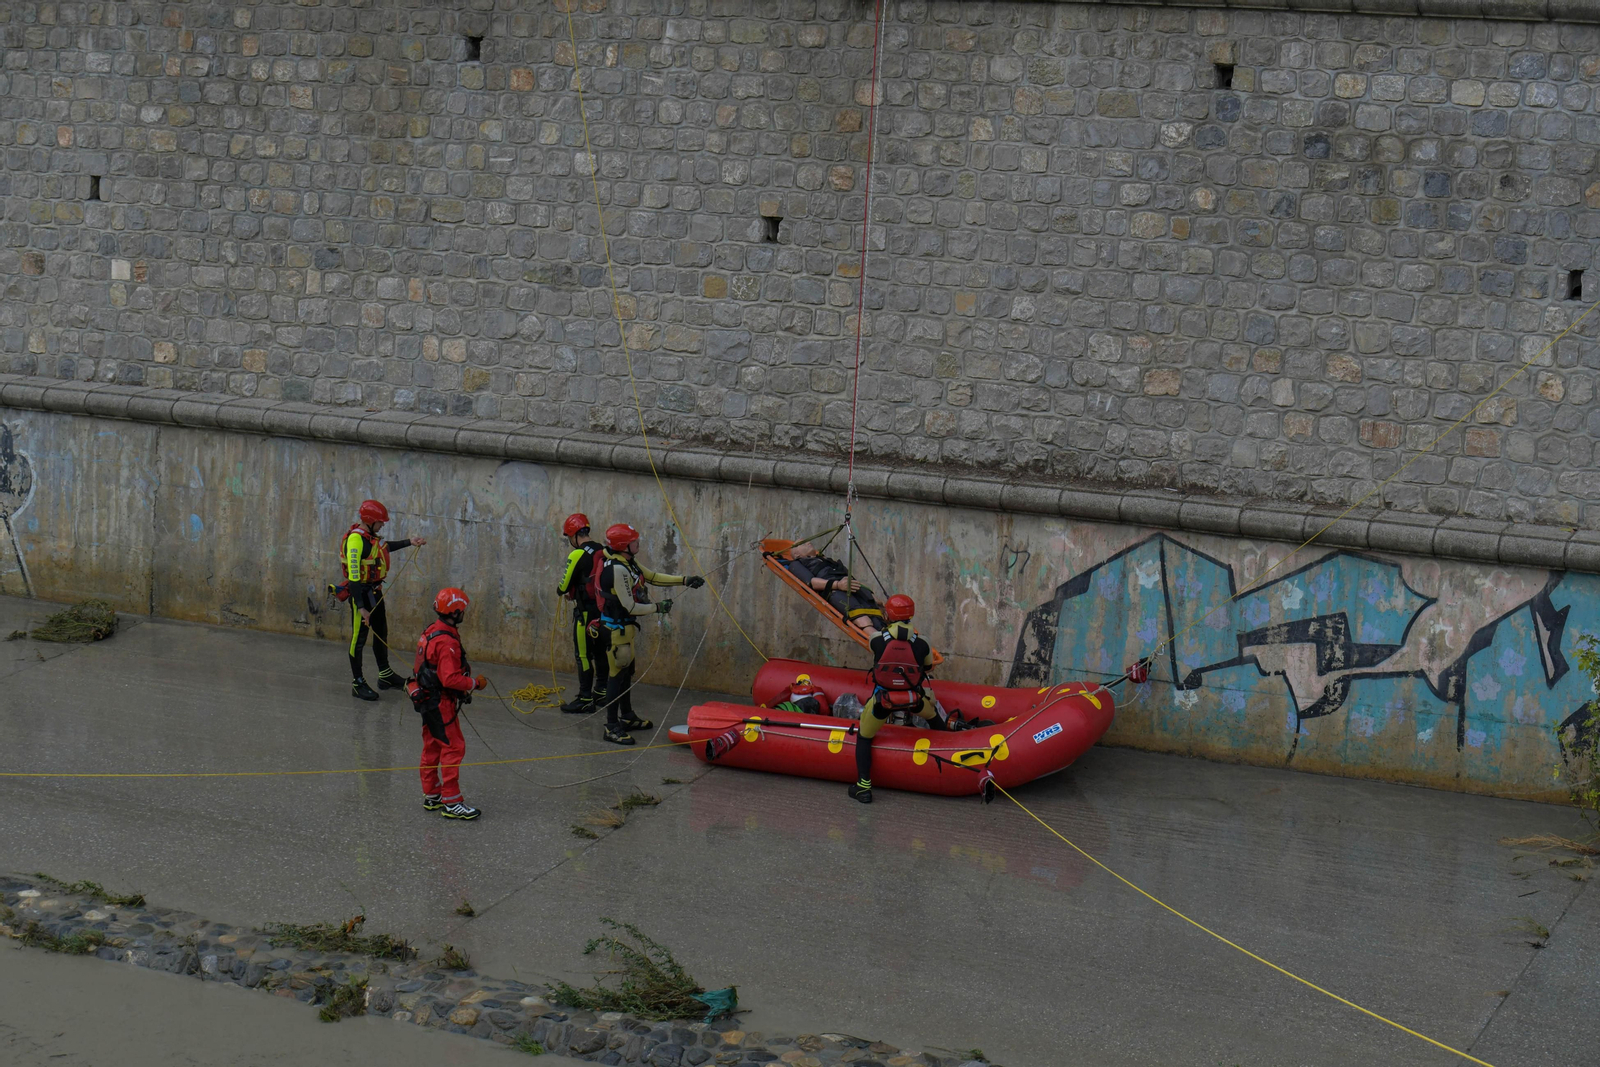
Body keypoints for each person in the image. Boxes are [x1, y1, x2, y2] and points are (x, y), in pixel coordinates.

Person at [591, 522, 704, 746]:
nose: (638, 543)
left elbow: (651, 576)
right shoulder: (618, 569)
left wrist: (684, 581)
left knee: (626, 674)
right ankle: (611, 726)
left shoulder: (627, 562)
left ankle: (627, 715)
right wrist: (658, 607)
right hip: (615, 631)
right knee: (616, 677)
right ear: (624, 545)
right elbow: (630, 607)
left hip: (625, 630)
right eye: (634, 541)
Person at [850, 593, 946, 804]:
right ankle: (951, 755)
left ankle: (863, 787)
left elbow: (878, 658)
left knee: (864, 737)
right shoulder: (923, 643)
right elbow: (928, 667)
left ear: (888, 615)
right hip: (914, 698)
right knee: (934, 718)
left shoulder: (876, 640)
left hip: (883, 701)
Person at [409, 587, 487, 820]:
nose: (464, 613)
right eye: (462, 610)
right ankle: (452, 802)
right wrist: (475, 683)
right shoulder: (447, 641)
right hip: (440, 702)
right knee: (453, 747)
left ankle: (432, 794)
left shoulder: (432, 631)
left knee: (432, 746)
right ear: (454, 612)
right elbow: (450, 678)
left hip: (427, 699)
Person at [342, 499, 426, 701]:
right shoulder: (355, 540)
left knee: (381, 633)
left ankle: (385, 674)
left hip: (376, 593)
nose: (383, 525)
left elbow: (385, 547)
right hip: (361, 596)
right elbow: (353, 577)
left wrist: (409, 542)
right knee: (358, 640)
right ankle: (357, 683)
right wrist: (361, 608)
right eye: (380, 522)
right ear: (370, 521)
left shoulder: (371, 537)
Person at [555, 512, 606, 713]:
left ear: (574, 535)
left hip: (585, 614)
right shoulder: (603, 549)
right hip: (603, 614)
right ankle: (601, 692)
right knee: (601, 652)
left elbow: (563, 585)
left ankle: (585, 698)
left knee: (583, 655)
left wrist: (567, 591)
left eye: (569, 537)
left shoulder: (577, 553)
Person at [784, 542, 884, 632]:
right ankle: (883, 645)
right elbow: (811, 582)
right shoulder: (796, 564)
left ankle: (891, 641)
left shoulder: (828, 561)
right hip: (835, 591)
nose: (808, 542)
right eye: (803, 543)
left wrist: (871, 595)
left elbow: (851, 579)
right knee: (863, 620)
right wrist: (838, 585)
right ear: (797, 554)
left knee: (880, 619)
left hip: (852, 588)